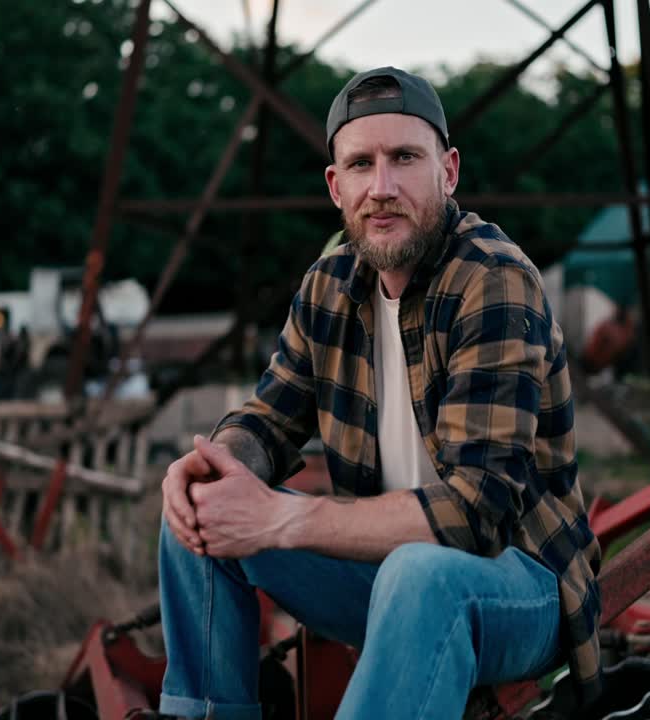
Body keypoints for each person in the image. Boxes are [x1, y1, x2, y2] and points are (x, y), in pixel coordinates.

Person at [148, 67, 602, 720]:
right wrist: (219, 463)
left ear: (448, 171)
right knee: (200, 510)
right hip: (381, 575)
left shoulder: (493, 281)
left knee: (420, 575)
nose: (382, 188)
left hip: (515, 586)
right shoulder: (330, 285)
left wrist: (284, 518)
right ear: (337, 186)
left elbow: (477, 513)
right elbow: (268, 421)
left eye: (405, 159)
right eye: (361, 164)